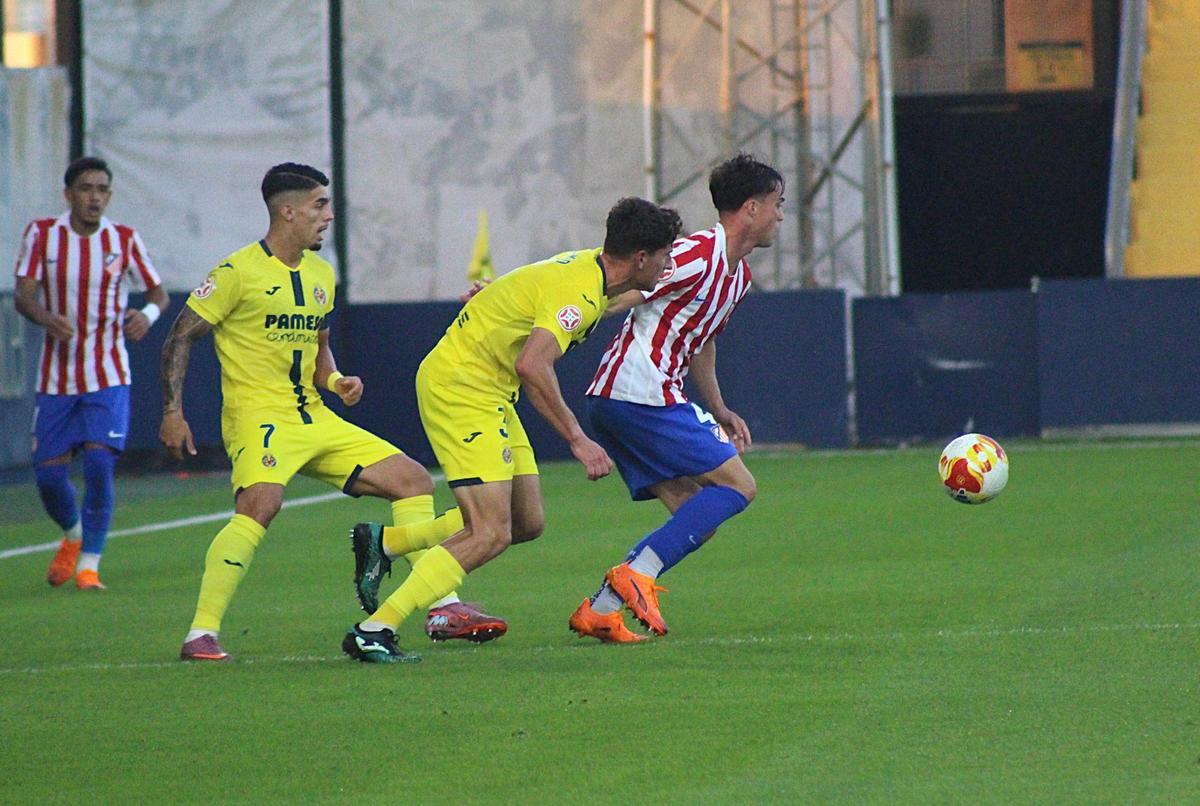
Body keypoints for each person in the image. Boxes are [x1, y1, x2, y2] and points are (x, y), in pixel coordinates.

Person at [160, 162, 503, 662]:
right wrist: (172, 410)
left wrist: (337, 380)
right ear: (288, 210)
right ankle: (201, 633)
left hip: (317, 417)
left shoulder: (322, 275)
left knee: (413, 480)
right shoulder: (236, 273)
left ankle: (440, 605)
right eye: (320, 204)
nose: (328, 214)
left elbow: (319, 354)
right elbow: (180, 336)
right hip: (262, 420)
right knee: (260, 506)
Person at [343, 196, 682, 663]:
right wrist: (578, 439)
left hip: (491, 393)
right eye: (664, 257)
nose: (667, 266)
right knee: (490, 532)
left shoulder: (591, 271)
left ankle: (387, 543)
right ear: (640, 257)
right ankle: (374, 628)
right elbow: (533, 364)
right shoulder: (578, 293)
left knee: (525, 523)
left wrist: (497, 296)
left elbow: (584, 295)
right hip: (461, 388)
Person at [568, 153, 783, 642]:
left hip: (620, 400)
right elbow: (621, 291)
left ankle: (601, 609)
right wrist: (536, 316)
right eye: (777, 203)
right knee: (740, 485)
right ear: (750, 208)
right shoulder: (695, 252)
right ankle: (636, 575)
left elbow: (702, 340)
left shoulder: (738, 277)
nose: (781, 215)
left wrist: (719, 407)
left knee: (695, 516)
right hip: (639, 393)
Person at [13, 156, 170, 591]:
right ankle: (73, 535)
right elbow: (23, 297)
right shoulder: (43, 235)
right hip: (57, 378)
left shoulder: (123, 239)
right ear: (69, 195)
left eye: (102, 189)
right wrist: (47, 317)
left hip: (108, 373)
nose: (95, 197)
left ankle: (89, 566)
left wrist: (148, 315)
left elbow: (157, 292)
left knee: (100, 465)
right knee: (48, 475)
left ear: (109, 195)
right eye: (86, 188)